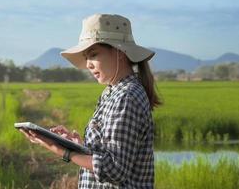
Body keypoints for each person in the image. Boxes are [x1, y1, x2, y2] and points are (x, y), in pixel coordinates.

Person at [19, 13, 161, 188]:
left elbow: (115, 169)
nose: (88, 64)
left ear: (119, 53)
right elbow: (108, 153)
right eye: (86, 58)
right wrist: (78, 145)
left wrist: (62, 151)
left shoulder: (126, 97)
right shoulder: (112, 92)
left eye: (93, 55)